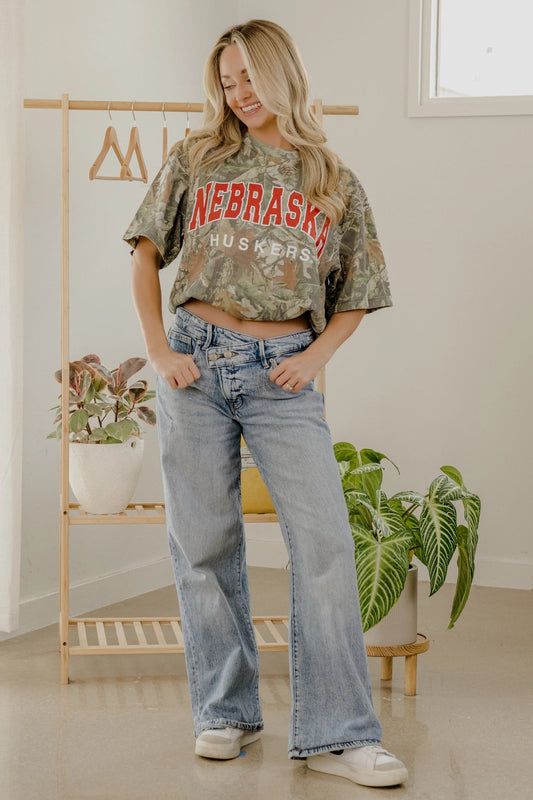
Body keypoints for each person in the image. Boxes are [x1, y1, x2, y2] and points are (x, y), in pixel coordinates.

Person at [123, 18, 407, 789]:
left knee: (322, 549)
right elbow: (147, 251)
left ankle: (337, 733)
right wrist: (159, 350)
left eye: (248, 77)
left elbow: (358, 291)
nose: (238, 94)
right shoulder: (197, 156)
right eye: (225, 82)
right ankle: (225, 713)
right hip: (196, 364)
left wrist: (314, 357)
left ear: (281, 75)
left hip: (282, 374)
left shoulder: (329, 176)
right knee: (204, 543)